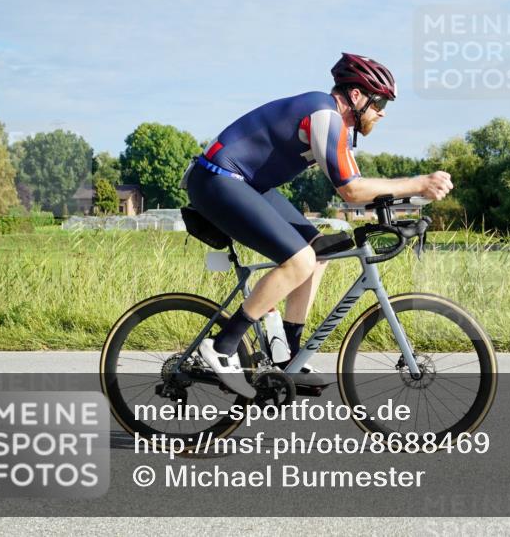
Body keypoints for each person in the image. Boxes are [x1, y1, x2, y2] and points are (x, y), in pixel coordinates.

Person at [186, 53, 453, 398]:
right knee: (300, 260)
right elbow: (351, 191)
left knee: (319, 253)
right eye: (380, 102)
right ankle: (221, 346)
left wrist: (408, 204)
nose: (383, 111)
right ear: (356, 96)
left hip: (249, 185)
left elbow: (362, 189)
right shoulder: (324, 115)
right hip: (217, 179)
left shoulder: (335, 126)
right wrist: (419, 182)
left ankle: (287, 355)